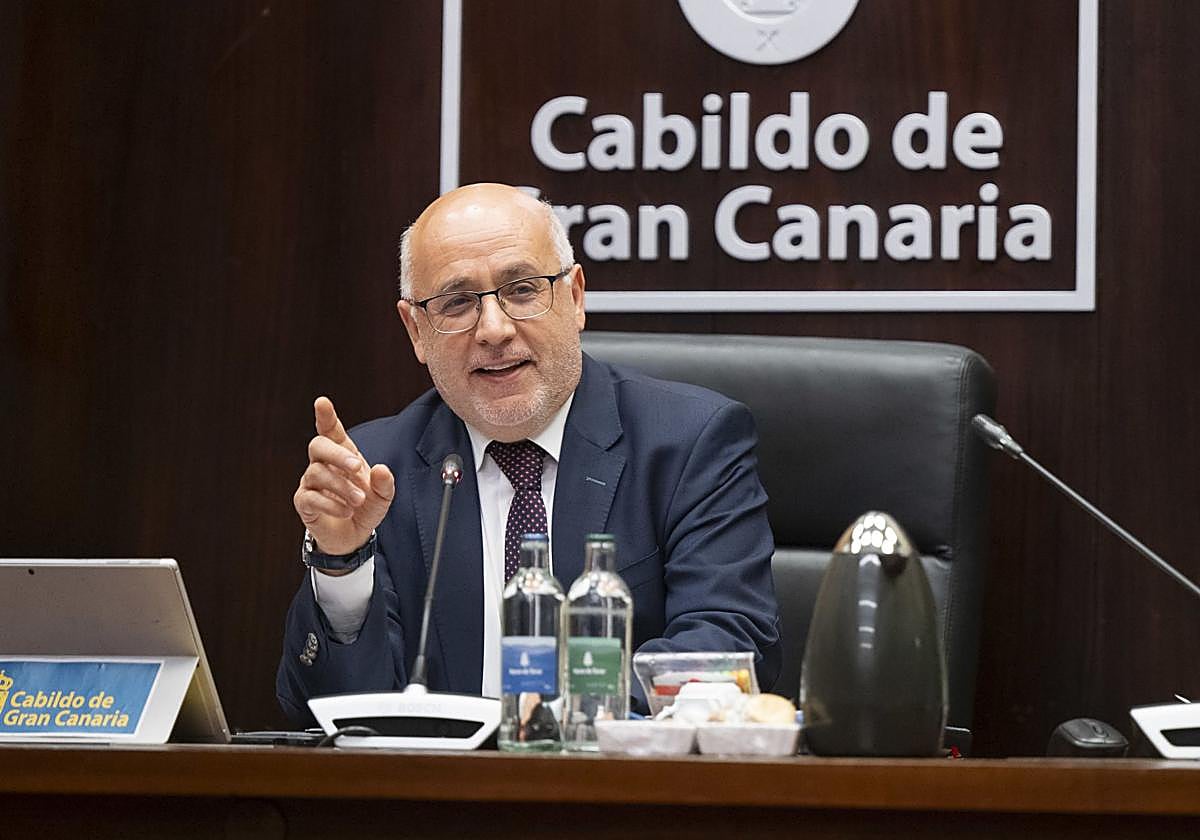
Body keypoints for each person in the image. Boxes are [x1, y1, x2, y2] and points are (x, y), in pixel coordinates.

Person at [277, 183, 780, 724]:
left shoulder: (688, 444)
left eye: (521, 289)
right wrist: (341, 567)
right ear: (416, 331)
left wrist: (560, 724)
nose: (493, 329)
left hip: (620, 792)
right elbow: (322, 714)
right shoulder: (375, 471)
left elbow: (725, 646)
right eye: (457, 302)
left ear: (575, 297)